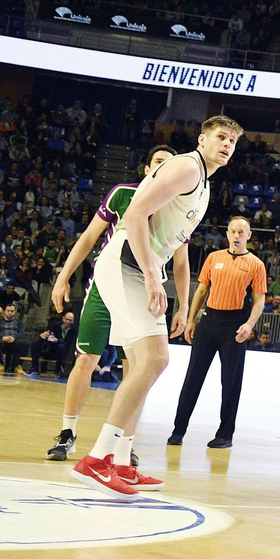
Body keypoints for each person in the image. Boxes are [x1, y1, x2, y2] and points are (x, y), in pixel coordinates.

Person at [71, 116, 238, 498]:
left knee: (145, 363)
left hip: (143, 267)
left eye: (232, 140)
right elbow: (133, 215)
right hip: (127, 264)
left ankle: (122, 462)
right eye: (221, 137)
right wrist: (150, 275)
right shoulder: (185, 167)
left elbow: (178, 251)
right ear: (202, 139)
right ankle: (97, 459)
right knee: (154, 360)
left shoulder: (205, 185)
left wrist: (179, 300)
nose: (227, 144)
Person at [46, 145, 180, 462]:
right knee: (86, 360)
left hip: (141, 291)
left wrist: (185, 306)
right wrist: (64, 275)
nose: (164, 167)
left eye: (170, 164)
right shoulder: (123, 193)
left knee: (137, 366)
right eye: (158, 161)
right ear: (147, 168)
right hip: (106, 287)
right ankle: (68, 434)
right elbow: (90, 237)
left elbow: (183, 263)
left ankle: (124, 443)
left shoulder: (176, 206)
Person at [168, 215, 267, 449]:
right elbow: (201, 290)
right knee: (193, 376)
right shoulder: (213, 258)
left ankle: (225, 434)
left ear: (249, 235)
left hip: (235, 325)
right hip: (210, 321)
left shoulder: (256, 264)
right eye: (233, 231)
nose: (237, 235)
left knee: (231, 382)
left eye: (242, 232)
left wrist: (250, 324)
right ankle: (178, 430)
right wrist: (191, 319)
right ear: (227, 234)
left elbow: (260, 299)